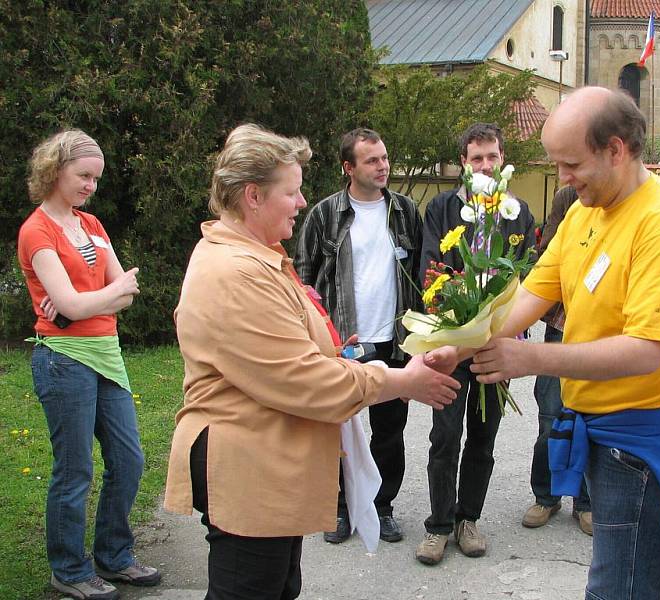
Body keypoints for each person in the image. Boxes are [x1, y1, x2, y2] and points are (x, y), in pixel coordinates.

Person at [428, 88, 660, 599]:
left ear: (616, 149)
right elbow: (530, 294)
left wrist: (529, 357)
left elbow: (647, 349)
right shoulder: (587, 212)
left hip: (649, 445)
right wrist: (457, 346)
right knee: (629, 579)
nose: (562, 177)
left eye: (571, 163)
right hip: (608, 435)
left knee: (623, 586)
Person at [163, 124, 459, 600]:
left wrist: (336, 351)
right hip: (247, 471)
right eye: (293, 192)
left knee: (279, 586)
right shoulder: (237, 271)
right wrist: (402, 380)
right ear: (254, 196)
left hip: (265, 466)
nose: (302, 203)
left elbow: (277, 353)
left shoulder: (255, 255)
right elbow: (302, 380)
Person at [17, 130, 160, 600]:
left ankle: (114, 556)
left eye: (95, 179)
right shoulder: (37, 231)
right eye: (83, 176)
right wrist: (90, 301)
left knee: (128, 460)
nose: (90, 187)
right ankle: (69, 569)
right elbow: (74, 303)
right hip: (63, 360)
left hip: (106, 356)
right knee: (75, 469)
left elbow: (125, 291)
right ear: (54, 170)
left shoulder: (93, 225)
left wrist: (85, 302)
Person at [415, 123, 535, 566]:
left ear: (502, 160)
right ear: (464, 163)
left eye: (493, 157)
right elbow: (432, 269)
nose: (486, 165)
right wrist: (458, 317)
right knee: (444, 436)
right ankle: (439, 526)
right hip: (452, 342)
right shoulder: (442, 210)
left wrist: (500, 324)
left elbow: (525, 274)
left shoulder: (517, 211)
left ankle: (469, 519)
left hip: (495, 344)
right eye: (477, 158)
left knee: (483, 436)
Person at [294, 128, 422, 544]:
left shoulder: (404, 211)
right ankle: (341, 508)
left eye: (384, 158)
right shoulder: (324, 214)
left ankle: (381, 507)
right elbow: (303, 279)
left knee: (390, 431)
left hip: (393, 341)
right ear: (348, 167)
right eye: (371, 160)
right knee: (337, 430)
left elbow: (420, 279)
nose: (383, 166)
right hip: (342, 343)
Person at [522, 185, 592, 537]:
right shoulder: (567, 201)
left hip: (599, 334)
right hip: (561, 328)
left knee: (591, 418)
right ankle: (546, 496)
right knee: (550, 417)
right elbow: (541, 265)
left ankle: (586, 503)